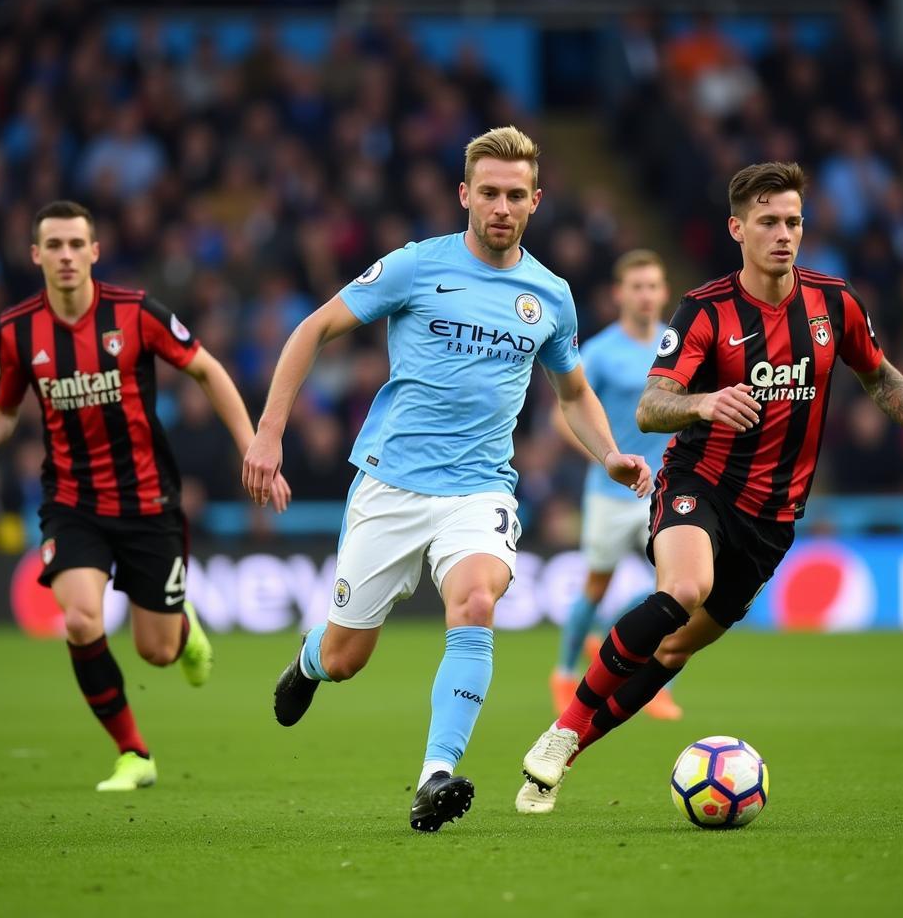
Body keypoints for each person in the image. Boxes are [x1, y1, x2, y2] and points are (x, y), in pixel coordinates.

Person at [242, 126, 652, 832]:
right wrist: (269, 433)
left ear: (535, 202)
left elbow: (574, 392)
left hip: (481, 488)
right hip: (392, 487)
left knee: (475, 602)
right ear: (465, 195)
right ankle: (308, 663)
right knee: (347, 657)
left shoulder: (550, 295)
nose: (501, 205)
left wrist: (608, 452)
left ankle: (436, 775)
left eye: (515, 195)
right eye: (488, 192)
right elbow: (311, 329)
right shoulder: (412, 267)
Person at [517, 161, 903, 812]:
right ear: (737, 228)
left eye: (794, 222)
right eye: (769, 222)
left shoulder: (834, 304)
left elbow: (879, 375)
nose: (784, 235)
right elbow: (650, 407)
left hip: (774, 517)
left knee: (672, 650)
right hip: (700, 482)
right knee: (682, 590)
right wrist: (703, 404)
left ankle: (560, 758)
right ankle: (561, 730)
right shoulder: (705, 309)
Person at [0, 200, 290, 792]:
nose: (65, 256)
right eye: (53, 245)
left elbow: (208, 370)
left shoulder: (134, 314)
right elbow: (2, 409)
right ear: (36, 255)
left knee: (156, 651)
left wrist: (252, 445)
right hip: (72, 502)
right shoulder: (17, 330)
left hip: (147, 500)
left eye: (76, 244)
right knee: (81, 620)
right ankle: (134, 753)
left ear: (94, 252)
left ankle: (182, 629)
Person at [546, 250, 681, 720]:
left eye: (653, 286)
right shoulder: (600, 352)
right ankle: (563, 675)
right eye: (636, 287)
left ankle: (654, 684)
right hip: (610, 492)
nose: (645, 295)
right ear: (619, 294)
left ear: (664, 293)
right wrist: (605, 460)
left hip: (666, 489)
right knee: (597, 585)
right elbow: (562, 417)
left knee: (676, 588)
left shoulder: (677, 344)